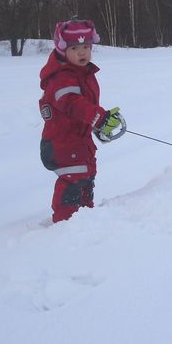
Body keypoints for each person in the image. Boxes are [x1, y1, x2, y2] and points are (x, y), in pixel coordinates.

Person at [39, 19, 122, 222]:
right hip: (62, 143)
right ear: (62, 50)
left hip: (79, 140)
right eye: (75, 48)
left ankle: (85, 218)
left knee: (87, 176)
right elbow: (71, 103)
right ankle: (65, 223)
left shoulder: (81, 73)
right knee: (73, 180)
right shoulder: (61, 77)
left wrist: (96, 123)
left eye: (86, 47)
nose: (82, 52)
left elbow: (82, 105)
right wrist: (98, 116)